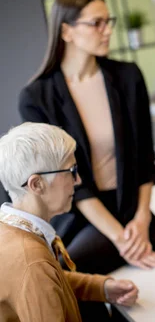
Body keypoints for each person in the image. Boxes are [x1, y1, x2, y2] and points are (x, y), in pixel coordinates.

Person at [18, 0, 155, 277]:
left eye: (108, 21)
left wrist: (140, 222)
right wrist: (122, 239)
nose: (107, 31)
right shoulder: (37, 97)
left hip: (130, 209)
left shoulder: (127, 77)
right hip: (82, 215)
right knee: (70, 272)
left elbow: (145, 160)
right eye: (96, 23)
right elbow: (69, 182)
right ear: (66, 31)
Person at [0, 122, 139, 322]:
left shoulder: (11, 229)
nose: (79, 180)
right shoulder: (32, 262)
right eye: (71, 171)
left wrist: (101, 288)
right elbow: (39, 276)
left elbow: (50, 281)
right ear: (37, 184)